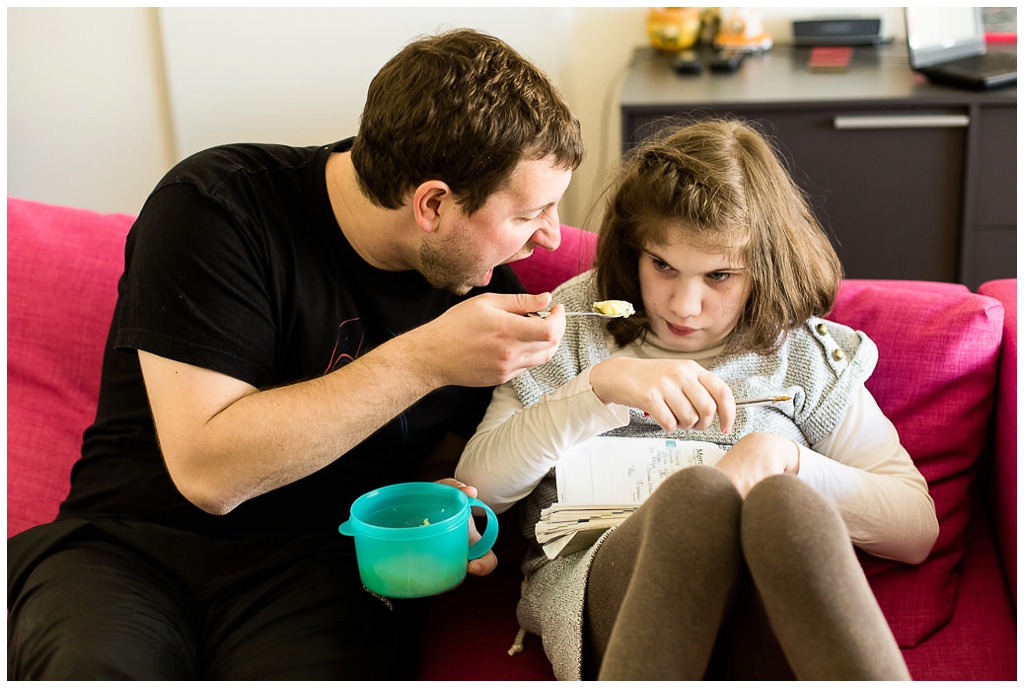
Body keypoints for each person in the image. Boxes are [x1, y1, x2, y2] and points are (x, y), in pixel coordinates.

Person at [8, 29, 584, 680]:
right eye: (530, 212)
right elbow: (209, 476)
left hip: (319, 564)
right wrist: (426, 358)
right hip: (126, 544)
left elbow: (447, 456)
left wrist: (440, 503)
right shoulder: (218, 207)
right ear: (432, 204)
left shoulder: (485, 294)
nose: (552, 237)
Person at [456, 119, 939, 680]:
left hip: (763, 607)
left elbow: (915, 530)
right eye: (662, 265)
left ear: (763, 268)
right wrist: (597, 390)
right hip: (612, 591)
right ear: (634, 249)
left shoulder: (803, 352)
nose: (685, 306)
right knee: (699, 500)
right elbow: (478, 491)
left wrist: (783, 461)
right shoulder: (575, 324)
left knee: (788, 504)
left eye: (719, 276)